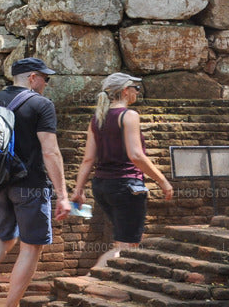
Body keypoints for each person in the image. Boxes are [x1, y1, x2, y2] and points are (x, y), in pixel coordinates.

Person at [0, 57, 71, 307]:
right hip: (31, 185)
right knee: (30, 247)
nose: (46, 84)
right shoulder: (41, 105)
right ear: (32, 77)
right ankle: (11, 305)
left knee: (3, 239)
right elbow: (51, 152)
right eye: (45, 78)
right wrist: (62, 195)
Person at [70, 73, 174, 270]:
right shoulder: (129, 116)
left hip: (102, 187)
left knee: (124, 241)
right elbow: (136, 155)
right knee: (126, 245)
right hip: (126, 186)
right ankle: (92, 280)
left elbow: (88, 159)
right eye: (136, 88)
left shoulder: (97, 119)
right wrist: (162, 181)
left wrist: (78, 190)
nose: (137, 92)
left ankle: (104, 284)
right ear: (126, 91)